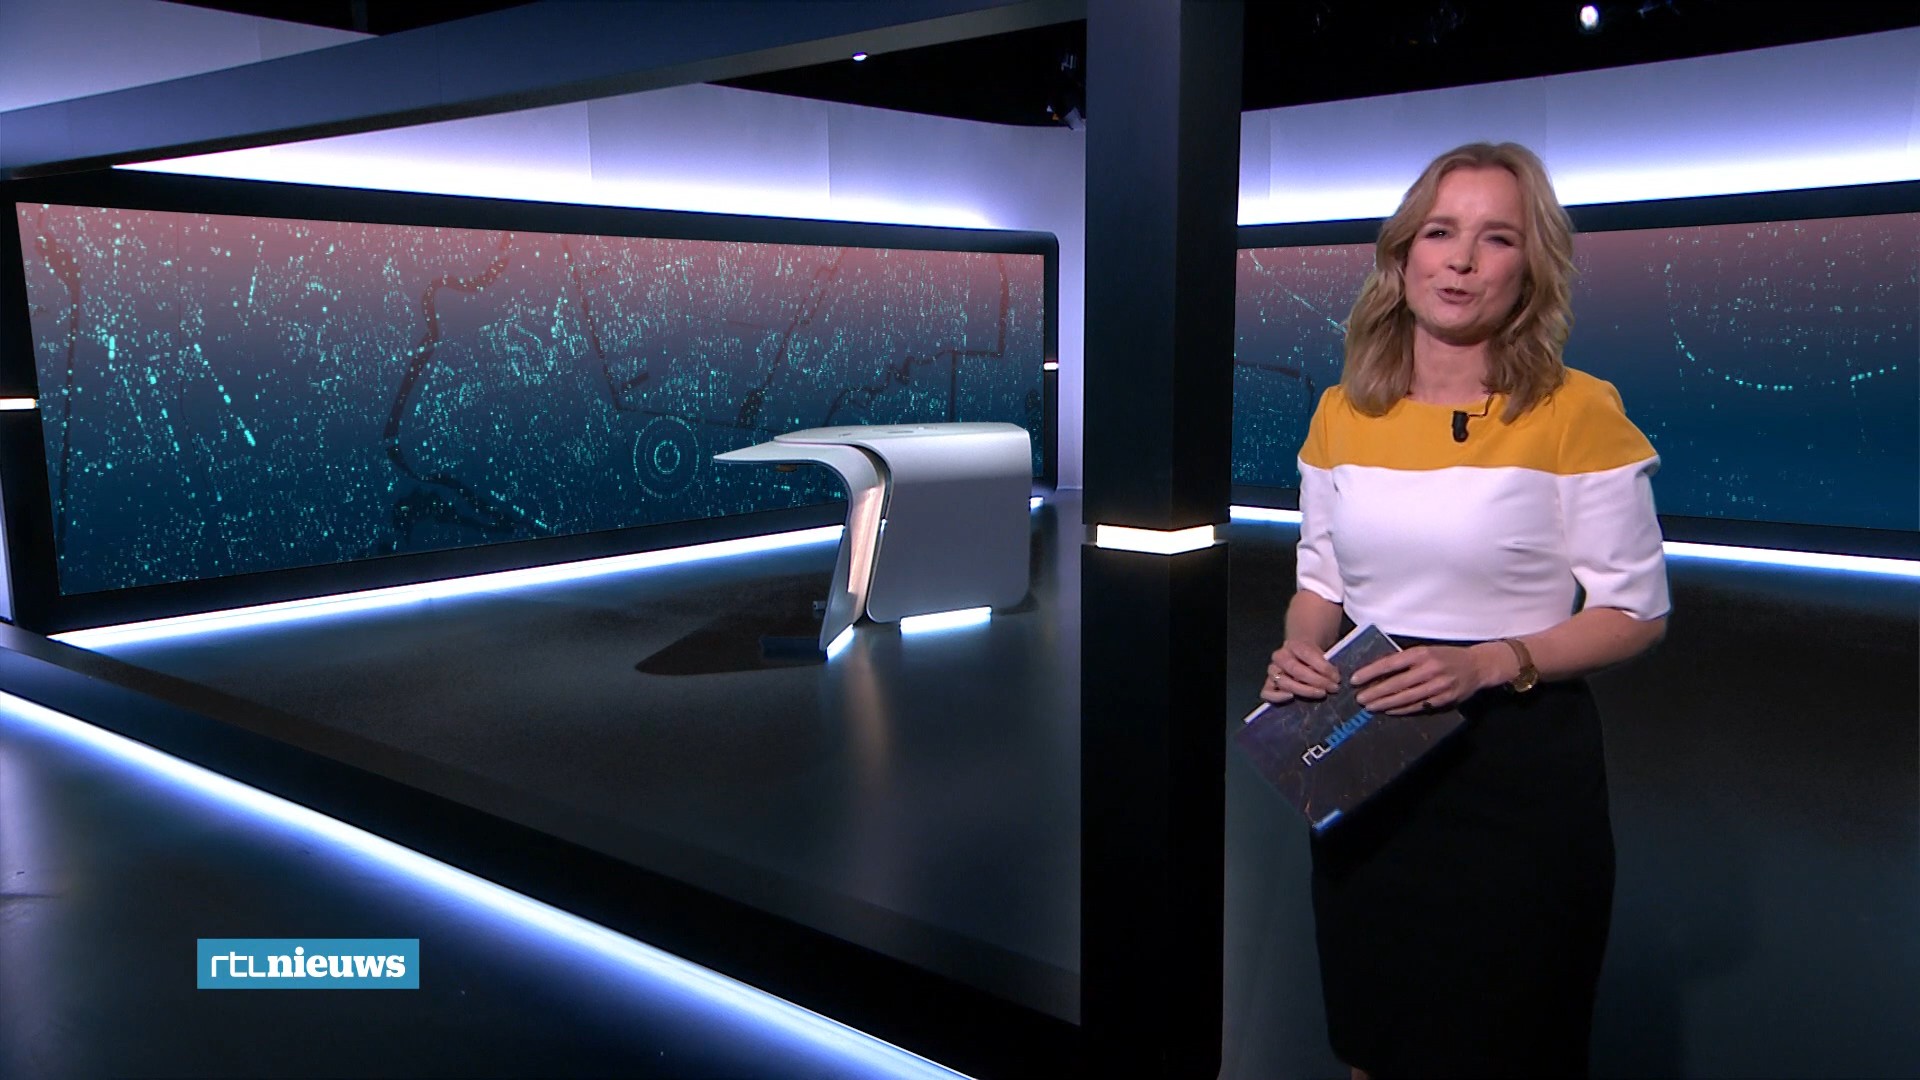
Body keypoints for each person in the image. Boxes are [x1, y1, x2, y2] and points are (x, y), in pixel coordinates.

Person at [1258, 141, 1670, 1079]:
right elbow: (1321, 582)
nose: (1462, 261)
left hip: (1516, 762)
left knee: (1512, 1038)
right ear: (1402, 255)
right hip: (1367, 751)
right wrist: (1299, 649)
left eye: (1497, 238)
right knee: (1375, 1031)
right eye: (1440, 232)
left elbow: (1635, 612)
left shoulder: (1577, 411)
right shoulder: (1341, 413)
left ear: (1531, 267)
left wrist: (1488, 661)